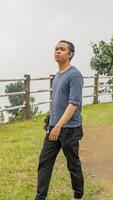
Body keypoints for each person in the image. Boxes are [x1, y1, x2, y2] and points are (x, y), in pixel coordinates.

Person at [35, 40, 84, 200]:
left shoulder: (75, 75)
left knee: (73, 164)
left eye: (62, 49)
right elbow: (57, 101)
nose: (58, 51)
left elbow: (73, 103)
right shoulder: (57, 76)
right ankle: (40, 197)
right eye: (56, 49)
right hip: (53, 127)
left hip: (70, 128)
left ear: (70, 54)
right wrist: (50, 120)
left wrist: (59, 126)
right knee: (44, 163)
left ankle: (78, 196)